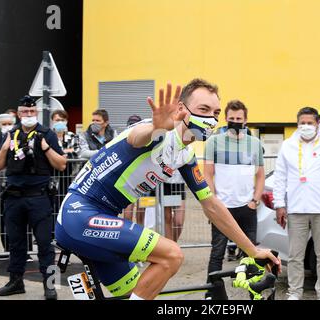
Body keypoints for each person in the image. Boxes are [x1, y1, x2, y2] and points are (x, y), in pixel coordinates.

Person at [55, 79, 280, 300]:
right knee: (171, 256)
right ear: (182, 109)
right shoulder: (159, 134)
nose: (211, 118)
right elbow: (136, 139)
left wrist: (253, 250)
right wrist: (156, 126)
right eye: (204, 109)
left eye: (215, 113)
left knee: (136, 290)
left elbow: (211, 205)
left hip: (103, 219)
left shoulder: (185, 155)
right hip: (80, 214)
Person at [0, 95, 67, 299]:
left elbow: (61, 164)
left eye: (32, 112)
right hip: (14, 198)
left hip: (39, 198)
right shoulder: (11, 134)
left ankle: (50, 285)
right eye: (24, 112)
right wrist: (6, 145)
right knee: (16, 244)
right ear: (18, 114)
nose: (28, 115)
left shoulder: (47, 134)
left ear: (36, 113)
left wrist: (45, 147)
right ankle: (15, 282)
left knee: (45, 243)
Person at [273, 107, 320, 300]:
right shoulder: (287, 146)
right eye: (302, 123)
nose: (305, 126)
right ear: (297, 124)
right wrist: (279, 204)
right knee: (295, 255)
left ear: (317, 124)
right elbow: (280, 177)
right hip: (296, 209)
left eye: (309, 123)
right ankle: (295, 292)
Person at [204, 99, 264, 286]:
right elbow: (207, 173)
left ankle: (253, 292)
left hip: (247, 207)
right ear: (225, 118)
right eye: (232, 118)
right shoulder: (214, 141)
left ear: (245, 120)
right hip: (223, 208)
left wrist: (255, 200)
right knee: (217, 253)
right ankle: (211, 294)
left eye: (239, 118)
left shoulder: (254, 143)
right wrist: (213, 201)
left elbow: (260, 175)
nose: (235, 121)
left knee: (250, 254)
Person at [0, 113, 16, 257]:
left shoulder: (19, 136)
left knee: (18, 218)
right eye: (4, 124)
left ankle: (22, 250)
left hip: (16, 183)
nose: (7, 126)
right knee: (2, 216)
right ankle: (6, 248)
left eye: (9, 123)